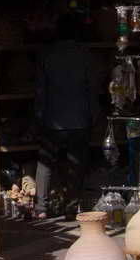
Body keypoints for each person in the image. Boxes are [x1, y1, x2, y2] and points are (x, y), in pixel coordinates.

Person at [33, 15, 98, 218]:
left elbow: (40, 90)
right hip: (79, 117)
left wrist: (39, 114)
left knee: (45, 162)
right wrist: (94, 113)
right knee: (76, 164)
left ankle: (41, 207)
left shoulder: (47, 55)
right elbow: (92, 88)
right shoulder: (84, 55)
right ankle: (71, 207)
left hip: (53, 117)